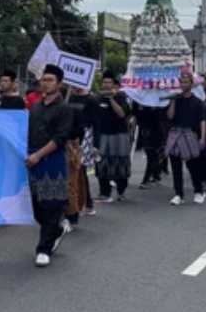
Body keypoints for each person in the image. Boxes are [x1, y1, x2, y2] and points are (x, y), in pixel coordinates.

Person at [25, 64, 74, 267]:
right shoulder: (35, 106)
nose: (45, 83)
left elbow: (60, 138)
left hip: (51, 162)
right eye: (43, 79)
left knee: (51, 205)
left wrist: (39, 155)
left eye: (50, 80)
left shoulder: (64, 109)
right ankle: (56, 230)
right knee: (37, 208)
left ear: (59, 84)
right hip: (33, 162)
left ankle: (43, 249)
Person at [165, 72, 206, 205]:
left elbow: (203, 121)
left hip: (190, 135)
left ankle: (199, 191)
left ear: (191, 84)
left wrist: (202, 138)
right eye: (182, 82)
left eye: (186, 82)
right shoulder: (176, 99)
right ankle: (178, 194)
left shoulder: (198, 102)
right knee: (176, 166)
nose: (184, 84)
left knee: (193, 166)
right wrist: (172, 101)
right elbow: (170, 116)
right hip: (176, 134)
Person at [94, 71, 132, 202]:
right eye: (104, 82)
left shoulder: (121, 97)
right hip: (102, 135)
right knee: (101, 163)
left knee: (120, 163)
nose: (106, 85)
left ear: (114, 85)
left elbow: (122, 114)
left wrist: (111, 99)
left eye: (109, 82)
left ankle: (121, 191)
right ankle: (104, 192)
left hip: (119, 135)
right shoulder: (97, 98)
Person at [62, 86, 91, 231]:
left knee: (71, 183)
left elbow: (80, 130)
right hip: (54, 147)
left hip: (71, 146)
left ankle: (71, 216)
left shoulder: (77, 109)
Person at [135, 104, 167, 189]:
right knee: (152, 157)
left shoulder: (149, 105)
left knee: (155, 157)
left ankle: (155, 177)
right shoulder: (144, 105)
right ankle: (146, 180)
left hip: (154, 133)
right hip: (150, 134)